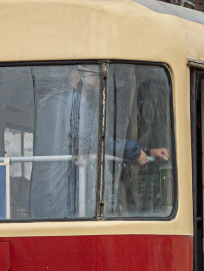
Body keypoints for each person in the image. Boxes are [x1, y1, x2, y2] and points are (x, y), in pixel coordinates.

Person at [30, 66, 169, 219]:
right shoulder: (74, 103)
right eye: (92, 77)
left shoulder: (52, 103)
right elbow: (101, 142)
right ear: (75, 77)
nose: (97, 83)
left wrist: (147, 151)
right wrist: (135, 152)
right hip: (60, 198)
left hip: (45, 196)